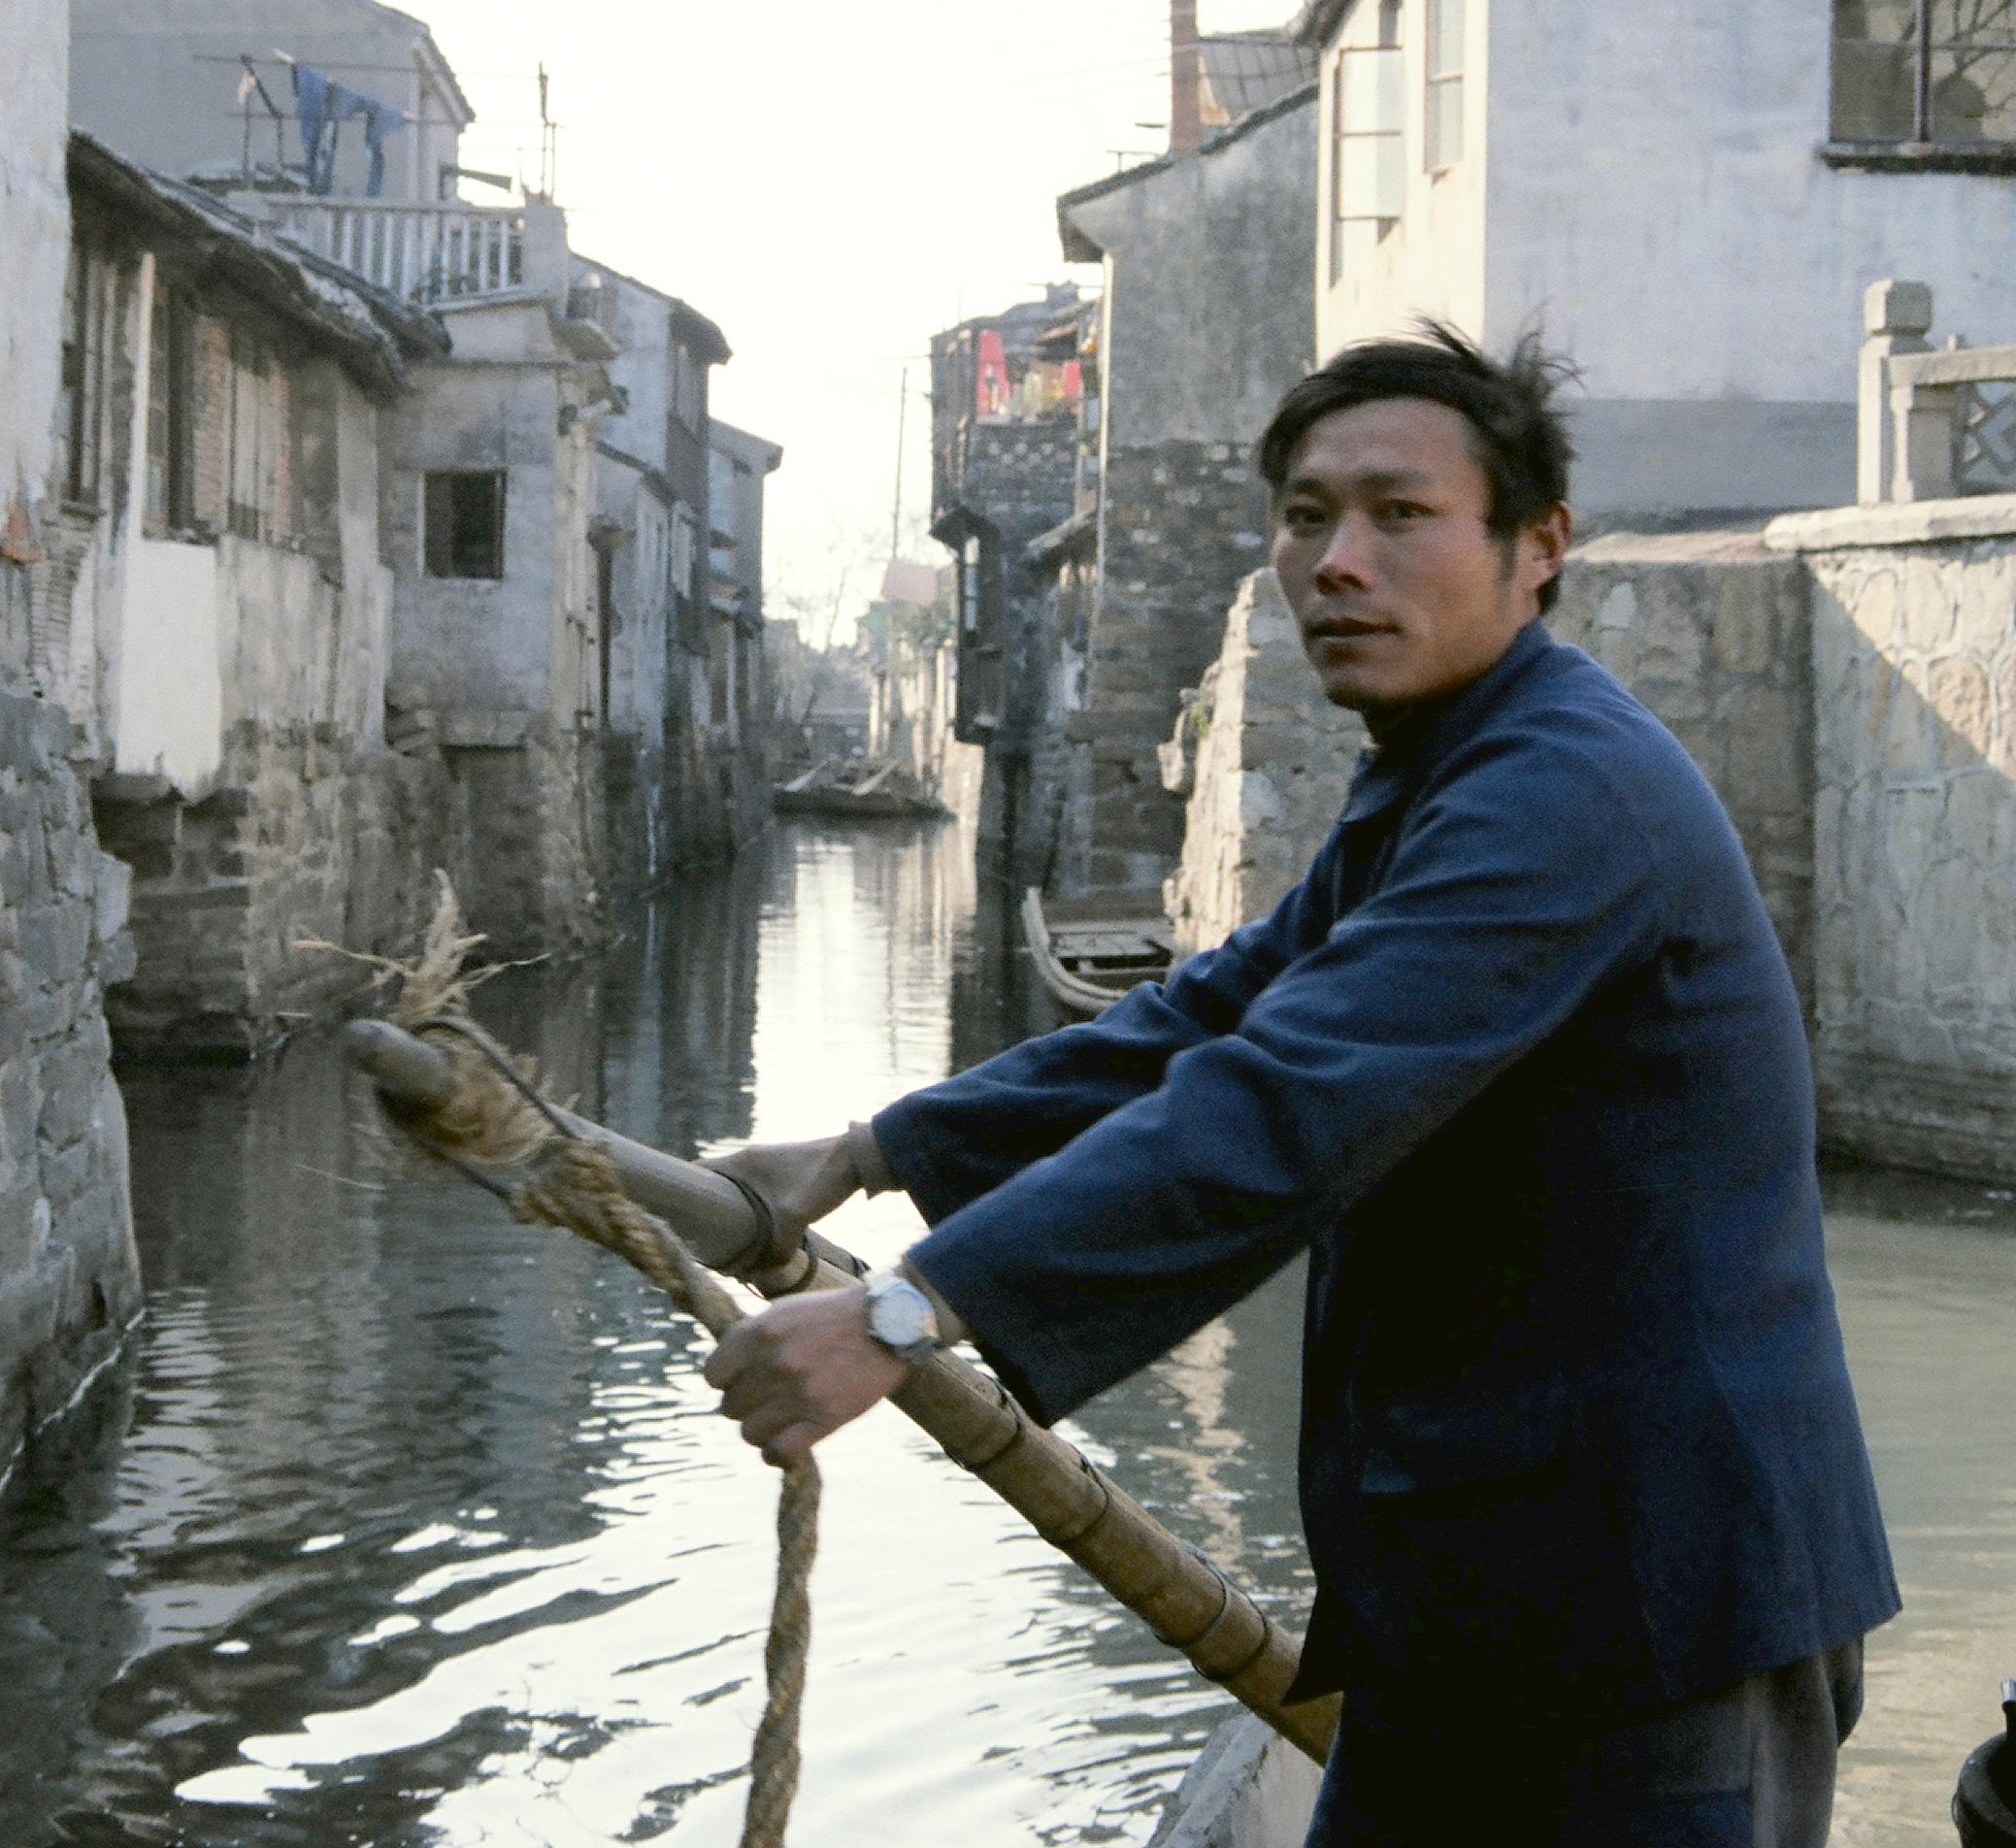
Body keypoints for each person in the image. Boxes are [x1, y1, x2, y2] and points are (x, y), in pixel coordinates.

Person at [699, 328, 1900, 1846]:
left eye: (1401, 515)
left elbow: (1288, 1099)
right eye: (1308, 516)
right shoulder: (1446, 767)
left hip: (1659, 1609)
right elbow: (1212, 1014)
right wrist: (868, 1149)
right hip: (1467, 1584)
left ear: (1539, 548)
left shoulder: (1563, 790)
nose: (1338, 561)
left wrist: (903, 1312)